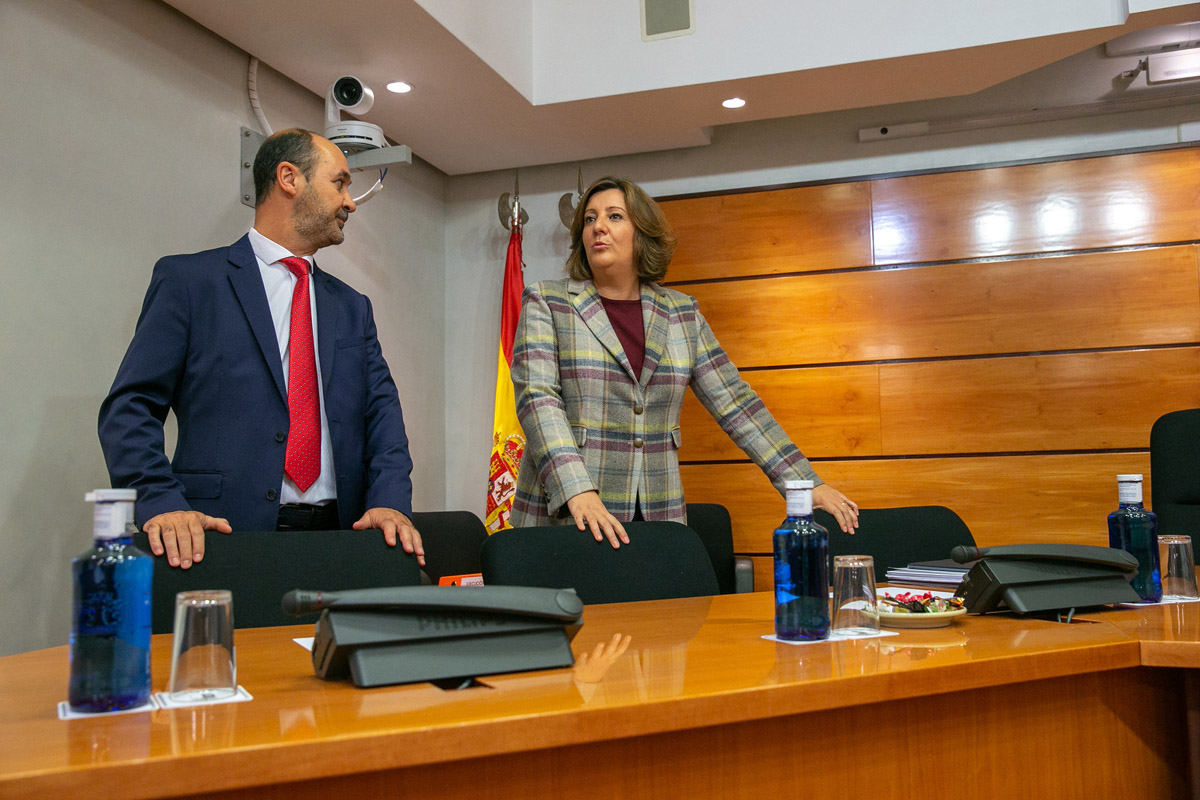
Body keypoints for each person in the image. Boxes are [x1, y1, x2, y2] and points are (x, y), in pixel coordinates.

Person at [98, 129, 423, 569]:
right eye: (340, 183)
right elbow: (130, 407)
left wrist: (390, 501)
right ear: (289, 178)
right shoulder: (191, 283)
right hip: (223, 540)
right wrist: (159, 501)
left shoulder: (352, 307)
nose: (350, 202)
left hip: (344, 539)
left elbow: (382, 415)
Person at [510, 176, 859, 547]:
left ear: (642, 232)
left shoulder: (681, 312)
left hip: (659, 513)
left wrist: (804, 483)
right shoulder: (548, 301)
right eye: (590, 218)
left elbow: (737, 404)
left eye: (614, 216)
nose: (598, 227)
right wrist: (577, 489)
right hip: (570, 512)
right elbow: (538, 399)